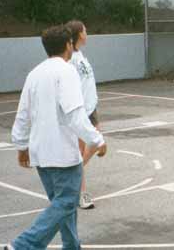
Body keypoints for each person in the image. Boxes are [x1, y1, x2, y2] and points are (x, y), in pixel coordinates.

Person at [6, 25, 107, 250]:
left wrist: (22, 146)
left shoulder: (34, 73)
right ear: (68, 45)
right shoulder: (66, 71)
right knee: (65, 203)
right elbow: (75, 115)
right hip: (62, 154)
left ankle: (72, 246)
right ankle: (23, 245)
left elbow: (23, 114)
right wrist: (97, 139)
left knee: (63, 206)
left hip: (40, 154)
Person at [66, 20, 99, 210]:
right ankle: (81, 194)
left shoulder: (80, 55)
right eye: (85, 31)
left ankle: (73, 174)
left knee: (95, 143)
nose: (87, 33)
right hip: (81, 109)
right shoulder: (70, 58)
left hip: (91, 107)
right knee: (82, 149)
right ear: (79, 34)